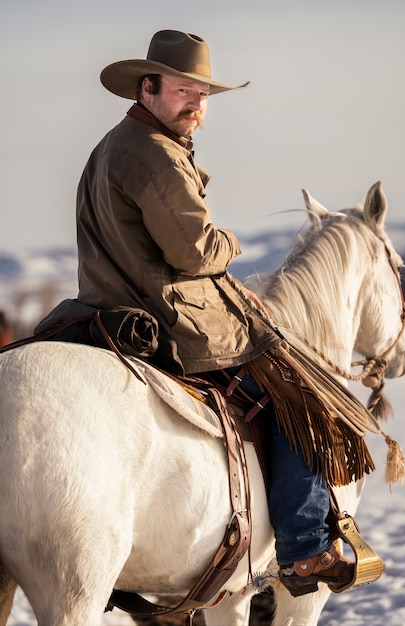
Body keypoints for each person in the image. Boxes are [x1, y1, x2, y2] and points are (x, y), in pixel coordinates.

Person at [36, 30, 357, 596]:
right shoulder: (155, 154)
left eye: (204, 95)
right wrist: (229, 245)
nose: (197, 104)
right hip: (170, 318)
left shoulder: (112, 145)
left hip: (107, 303)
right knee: (298, 391)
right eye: (186, 90)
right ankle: (306, 546)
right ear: (149, 87)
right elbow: (193, 249)